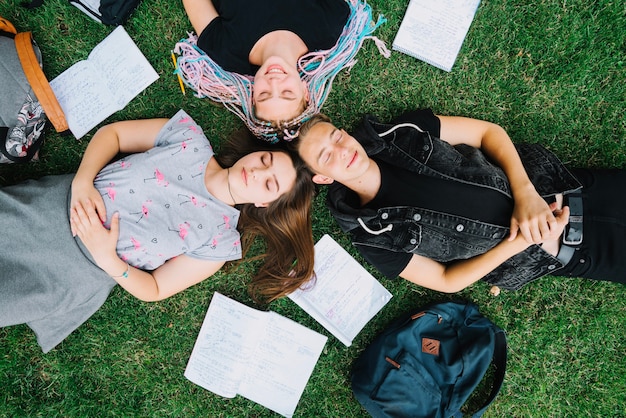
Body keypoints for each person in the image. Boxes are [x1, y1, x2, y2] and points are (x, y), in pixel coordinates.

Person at [0, 109, 315, 353]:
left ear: (264, 203)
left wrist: (110, 261)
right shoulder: (189, 138)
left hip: (75, 274)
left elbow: (155, 289)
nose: (258, 171)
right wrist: (83, 181)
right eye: (265, 159)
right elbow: (113, 135)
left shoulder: (218, 243)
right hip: (51, 207)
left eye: (269, 183)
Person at [289, 110, 626, 293]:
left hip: (575, 188)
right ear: (322, 177)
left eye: (336, 136)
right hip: (577, 252)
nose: (343, 150)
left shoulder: (403, 133)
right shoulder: (371, 235)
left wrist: (525, 194)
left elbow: (487, 133)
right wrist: (520, 240)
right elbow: (446, 281)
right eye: (325, 156)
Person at [175, 0, 389, 141]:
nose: (274, 81)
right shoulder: (328, 26)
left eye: (264, 94)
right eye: (287, 93)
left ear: (252, 95)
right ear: (305, 91)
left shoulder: (225, 51)